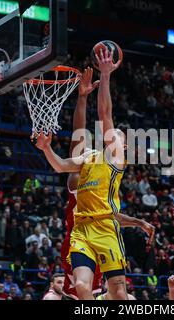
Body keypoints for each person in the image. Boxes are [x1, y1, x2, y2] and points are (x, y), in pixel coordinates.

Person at [58, 66, 155, 300]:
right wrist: (82, 97)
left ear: (123, 148)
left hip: (101, 236)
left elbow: (110, 215)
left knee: (118, 295)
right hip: (80, 239)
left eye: (117, 137)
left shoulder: (112, 169)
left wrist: (138, 222)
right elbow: (78, 133)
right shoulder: (84, 166)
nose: (110, 136)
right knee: (82, 292)